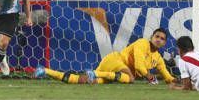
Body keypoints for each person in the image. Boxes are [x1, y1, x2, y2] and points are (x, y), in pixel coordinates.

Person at [34, 28, 179, 84]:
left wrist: (175, 80)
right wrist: (151, 78)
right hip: (115, 61)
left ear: (165, 43)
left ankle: (45, 71)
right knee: (130, 78)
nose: (158, 40)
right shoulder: (142, 43)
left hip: (113, 72)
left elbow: (166, 75)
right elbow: (139, 66)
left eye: (162, 39)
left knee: (83, 81)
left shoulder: (158, 58)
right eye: (157, 36)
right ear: (151, 37)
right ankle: (95, 72)